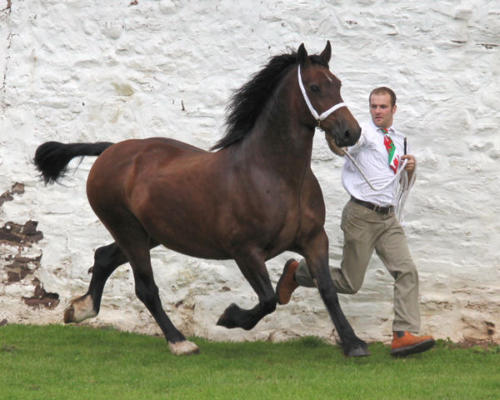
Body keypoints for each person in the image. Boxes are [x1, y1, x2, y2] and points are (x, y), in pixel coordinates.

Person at [276, 87, 435, 357]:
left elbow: (400, 185)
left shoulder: (399, 140)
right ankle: (297, 272)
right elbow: (343, 147)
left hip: (388, 218)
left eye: (383, 107)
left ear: (394, 109)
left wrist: (411, 169)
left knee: (407, 271)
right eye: (373, 106)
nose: (377, 111)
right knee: (351, 283)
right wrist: (333, 138)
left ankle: (402, 334)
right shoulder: (362, 133)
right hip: (361, 216)